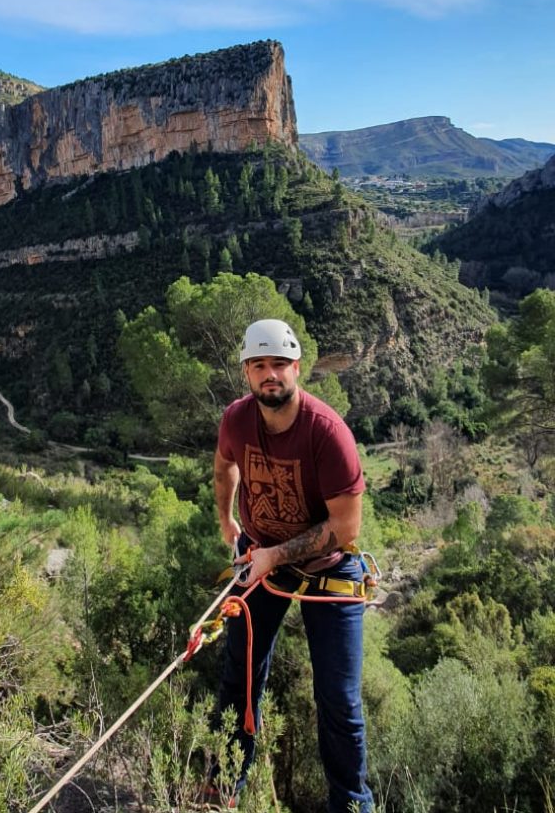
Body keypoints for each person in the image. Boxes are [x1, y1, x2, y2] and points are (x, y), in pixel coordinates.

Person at [212, 318, 374, 812]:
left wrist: (272, 556)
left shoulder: (328, 434)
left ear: (297, 368)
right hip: (260, 555)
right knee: (238, 680)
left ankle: (351, 804)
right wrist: (226, 523)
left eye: (279, 365)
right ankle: (222, 789)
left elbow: (346, 530)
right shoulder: (237, 420)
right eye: (259, 366)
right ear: (246, 372)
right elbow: (224, 468)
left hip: (328, 565)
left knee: (339, 701)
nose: (270, 375)